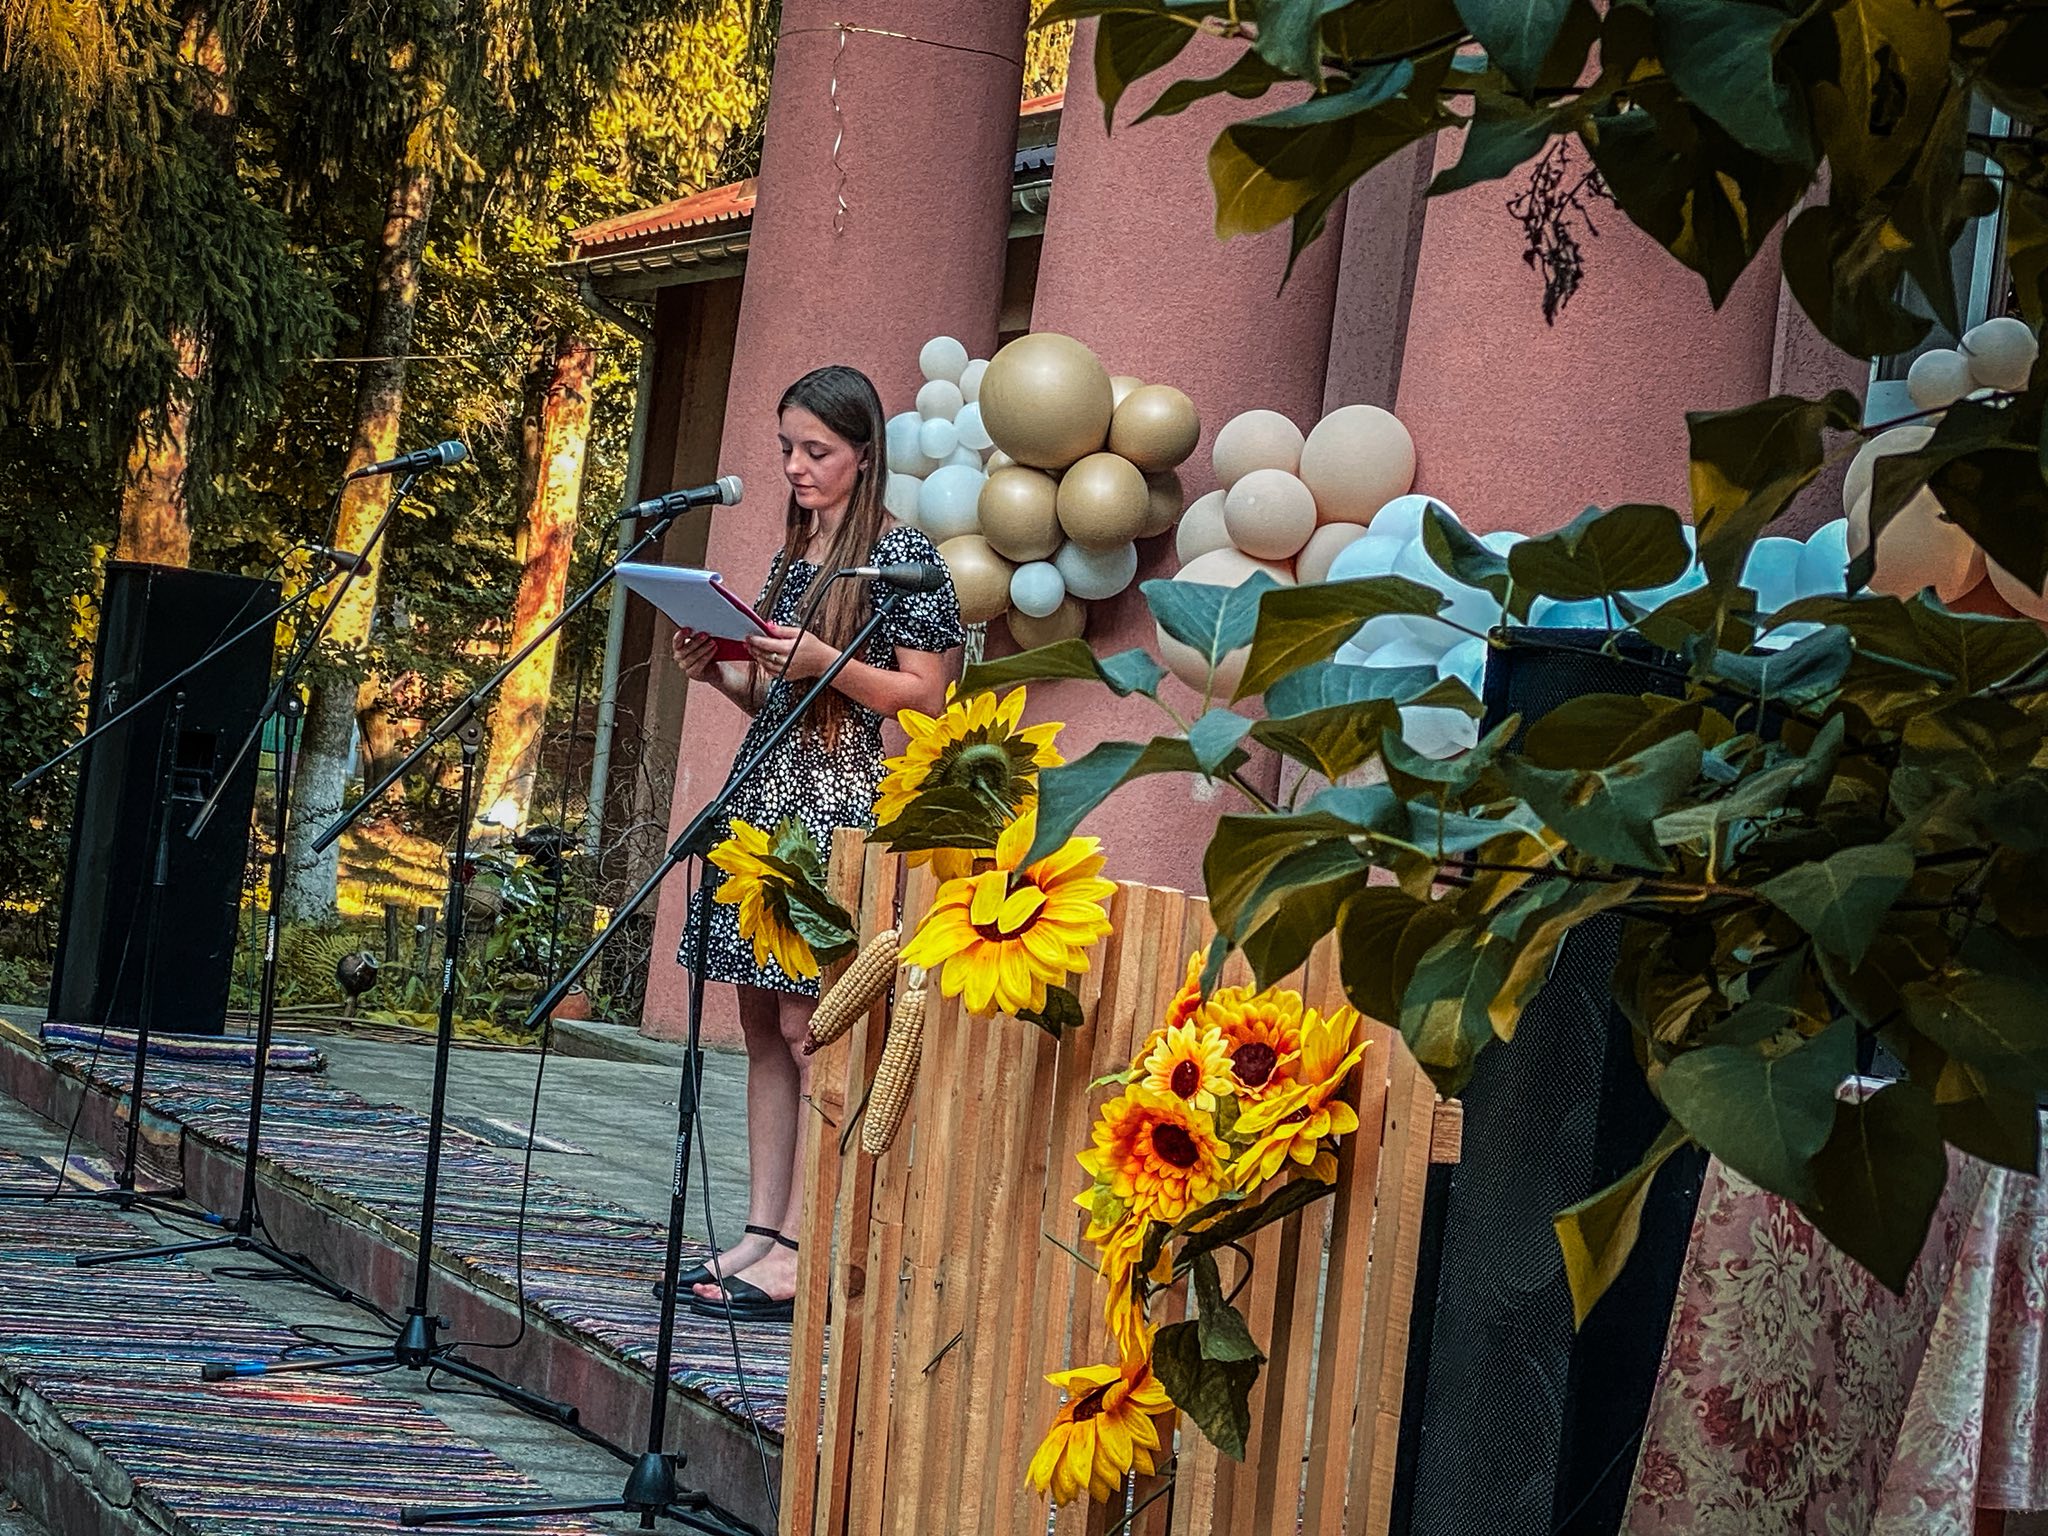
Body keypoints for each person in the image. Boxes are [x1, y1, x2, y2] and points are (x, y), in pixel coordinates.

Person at [669, 364, 963, 1323]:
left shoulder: (905, 557)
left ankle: (803, 1247)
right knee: (759, 1027)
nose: (796, 467)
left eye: (817, 451)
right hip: (763, 800)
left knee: (807, 1031)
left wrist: (826, 661)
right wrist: (719, 673)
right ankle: (761, 1230)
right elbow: (780, 699)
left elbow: (926, 698)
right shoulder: (799, 554)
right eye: (787, 448)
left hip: (833, 813)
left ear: (865, 455)